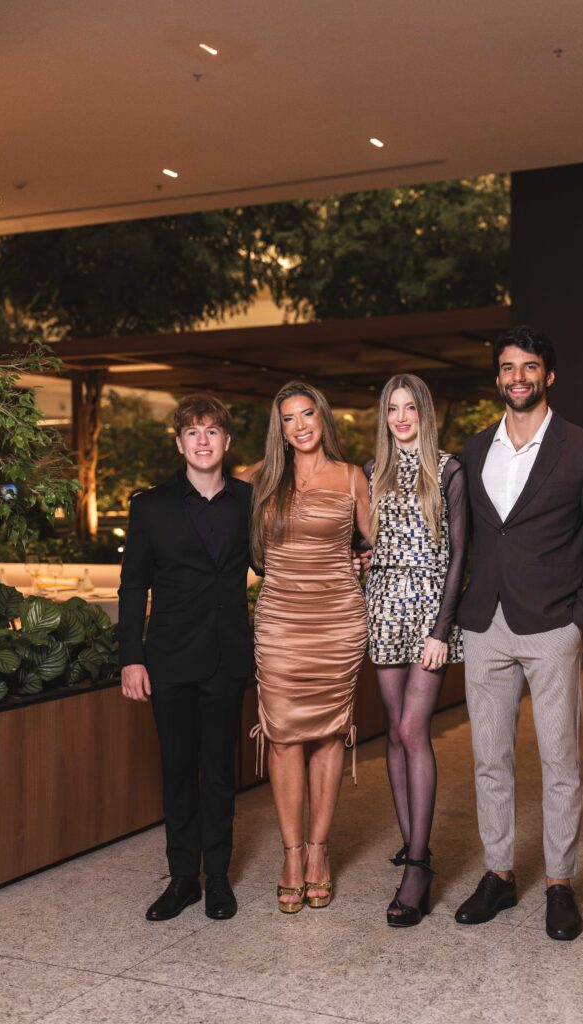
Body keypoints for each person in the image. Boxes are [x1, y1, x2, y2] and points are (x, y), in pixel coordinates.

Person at [454, 326, 583, 941]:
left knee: (560, 762)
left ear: (548, 376)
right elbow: (465, 536)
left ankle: (559, 884)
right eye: (508, 367)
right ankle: (499, 875)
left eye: (529, 366)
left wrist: (579, 621)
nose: (518, 377)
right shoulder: (475, 449)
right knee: (489, 759)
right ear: (497, 378)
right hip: (485, 625)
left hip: (553, 625)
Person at [118, 395, 252, 922]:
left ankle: (217, 877)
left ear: (226, 441)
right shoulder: (150, 506)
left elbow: (273, 560)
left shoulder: (248, 501)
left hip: (226, 657)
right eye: (193, 432)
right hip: (169, 659)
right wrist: (132, 658)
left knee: (219, 772)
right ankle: (182, 879)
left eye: (212, 431)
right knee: (176, 771)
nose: (202, 440)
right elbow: (133, 587)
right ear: (179, 443)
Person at [245, 381, 369, 914]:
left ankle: (319, 852)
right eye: (289, 418)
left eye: (307, 414)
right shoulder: (260, 477)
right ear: (280, 429)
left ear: (323, 418)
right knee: (283, 737)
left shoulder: (352, 476)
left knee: (328, 736)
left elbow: (378, 543)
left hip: (337, 624)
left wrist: (365, 560)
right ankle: (291, 855)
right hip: (280, 625)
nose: (300, 426)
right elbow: (201, 492)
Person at [363, 374, 467, 928]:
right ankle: (413, 850)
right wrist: (359, 554)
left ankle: (419, 865)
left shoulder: (448, 471)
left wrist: (441, 631)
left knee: (412, 729)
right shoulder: (370, 473)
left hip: (429, 609)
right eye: (392, 409)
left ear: (425, 413)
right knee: (392, 730)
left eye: (410, 408)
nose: (401, 417)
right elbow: (360, 537)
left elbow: (460, 555)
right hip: (382, 604)